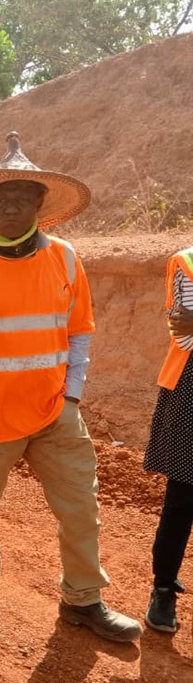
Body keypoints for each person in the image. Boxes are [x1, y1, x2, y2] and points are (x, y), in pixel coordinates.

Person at [0, 131, 141, 642]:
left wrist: (72, 397)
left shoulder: (64, 258)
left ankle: (83, 599)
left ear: (41, 204)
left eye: (23, 197)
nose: (11, 207)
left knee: (81, 509)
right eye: (1, 198)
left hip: (54, 414)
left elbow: (79, 332)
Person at [143, 245, 193, 633]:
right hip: (190, 390)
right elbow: (186, 334)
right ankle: (163, 590)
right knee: (182, 498)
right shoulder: (187, 263)